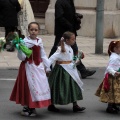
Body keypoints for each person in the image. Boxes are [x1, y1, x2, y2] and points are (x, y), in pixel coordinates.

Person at [10, 22, 51, 117]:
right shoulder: (24, 41)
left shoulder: (39, 41)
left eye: (35, 30)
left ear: (38, 31)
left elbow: (43, 54)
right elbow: (22, 58)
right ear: (28, 30)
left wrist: (47, 66)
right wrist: (20, 49)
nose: (33, 32)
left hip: (38, 67)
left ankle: (32, 107)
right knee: (29, 88)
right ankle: (27, 107)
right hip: (28, 67)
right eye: (31, 29)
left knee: (38, 87)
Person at [49, 0, 96, 79]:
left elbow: (69, 14)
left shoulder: (69, 1)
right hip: (62, 32)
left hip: (70, 31)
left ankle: (82, 70)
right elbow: (59, 17)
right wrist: (69, 26)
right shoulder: (60, 2)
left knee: (74, 50)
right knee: (57, 49)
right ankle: (48, 67)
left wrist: (76, 16)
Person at [48, 31, 86, 112]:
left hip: (70, 70)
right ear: (67, 40)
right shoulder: (60, 49)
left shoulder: (70, 48)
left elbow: (71, 59)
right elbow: (52, 58)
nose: (74, 41)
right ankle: (51, 104)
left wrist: (77, 60)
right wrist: (47, 68)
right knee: (58, 87)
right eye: (73, 39)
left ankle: (75, 105)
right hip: (61, 71)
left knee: (73, 86)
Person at [95, 40, 120, 114]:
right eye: (119, 47)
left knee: (116, 91)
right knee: (111, 92)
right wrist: (114, 72)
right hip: (112, 78)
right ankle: (110, 107)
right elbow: (109, 68)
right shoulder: (114, 58)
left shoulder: (117, 55)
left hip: (117, 77)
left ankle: (115, 105)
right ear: (114, 49)